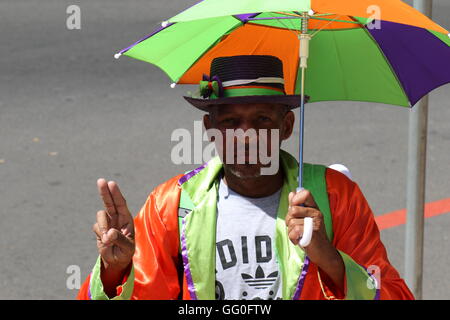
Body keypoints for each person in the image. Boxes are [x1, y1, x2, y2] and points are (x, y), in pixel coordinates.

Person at [77, 55, 414, 300]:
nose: (246, 135)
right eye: (230, 122)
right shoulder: (172, 203)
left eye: (263, 119)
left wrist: (327, 256)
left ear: (286, 127)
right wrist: (114, 274)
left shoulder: (334, 194)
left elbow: (394, 295)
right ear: (210, 129)